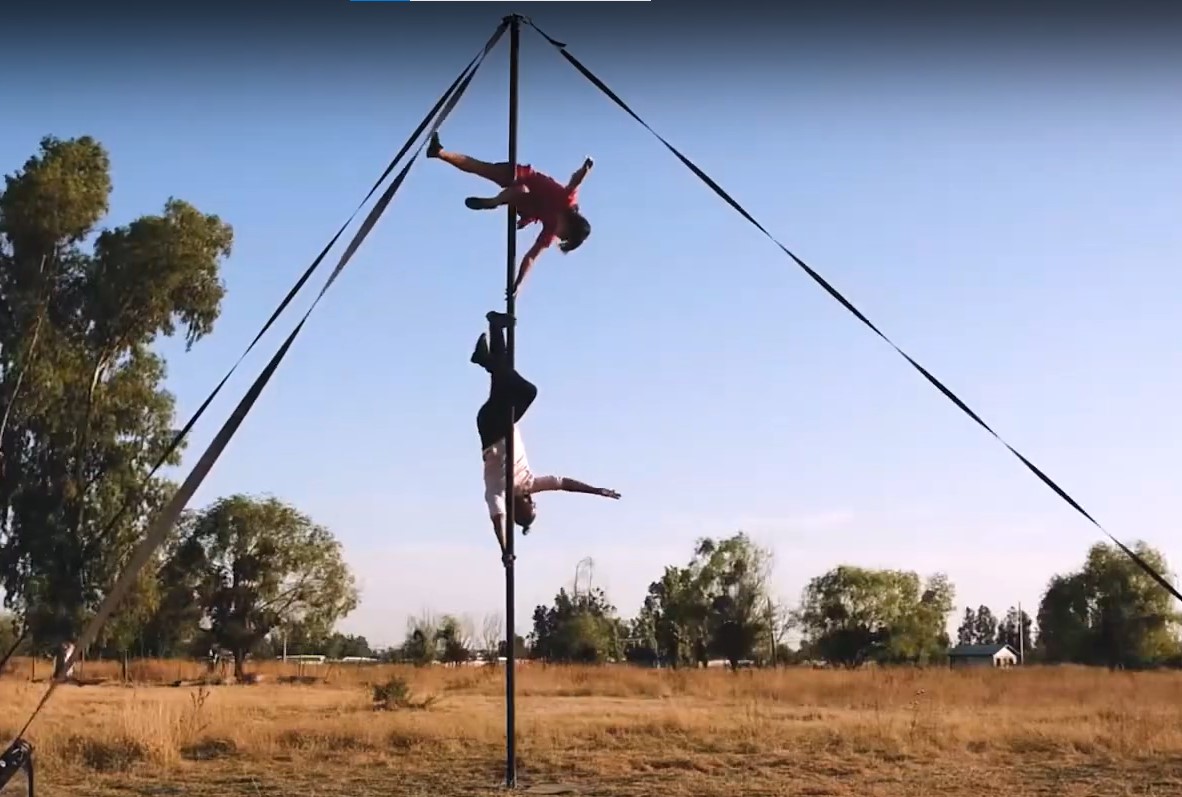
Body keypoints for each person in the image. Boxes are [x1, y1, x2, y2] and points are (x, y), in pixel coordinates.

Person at [472, 310, 620, 564]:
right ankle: (496, 328)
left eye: (532, 508)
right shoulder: (530, 483)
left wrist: (505, 549)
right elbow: (563, 484)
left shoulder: (498, 492)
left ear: (522, 508)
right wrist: (596, 490)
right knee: (503, 376)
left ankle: (484, 358)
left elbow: (498, 520)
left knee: (526, 391)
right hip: (503, 422)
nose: (534, 501)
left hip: (492, 429)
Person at [427, 132, 593, 296]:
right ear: (570, 224)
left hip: (524, 203)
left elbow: (531, 257)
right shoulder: (567, 200)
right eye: (563, 235)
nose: (558, 235)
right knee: (482, 168)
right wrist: (585, 169)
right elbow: (575, 181)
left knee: (521, 190)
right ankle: (439, 153)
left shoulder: (550, 230)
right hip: (523, 176)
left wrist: (519, 283)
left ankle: (494, 202)